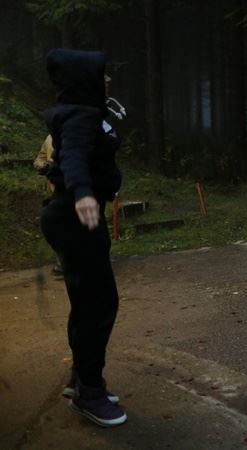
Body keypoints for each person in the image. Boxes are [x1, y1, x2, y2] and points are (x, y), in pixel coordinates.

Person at [41, 49, 126, 427]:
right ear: (84, 80)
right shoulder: (81, 114)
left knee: (88, 301)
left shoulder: (87, 111)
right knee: (99, 303)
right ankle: (90, 391)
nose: (108, 80)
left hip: (72, 216)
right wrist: (83, 192)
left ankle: (83, 378)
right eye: (102, 75)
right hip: (74, 215)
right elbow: (72, 154)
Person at [33, 134, 63, 276]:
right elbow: (40, 158)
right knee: (55, 226)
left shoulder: (78, 129)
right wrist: (42, 165)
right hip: (55, 190)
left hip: (75, 188)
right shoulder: (50, 138)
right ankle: (62, 259)